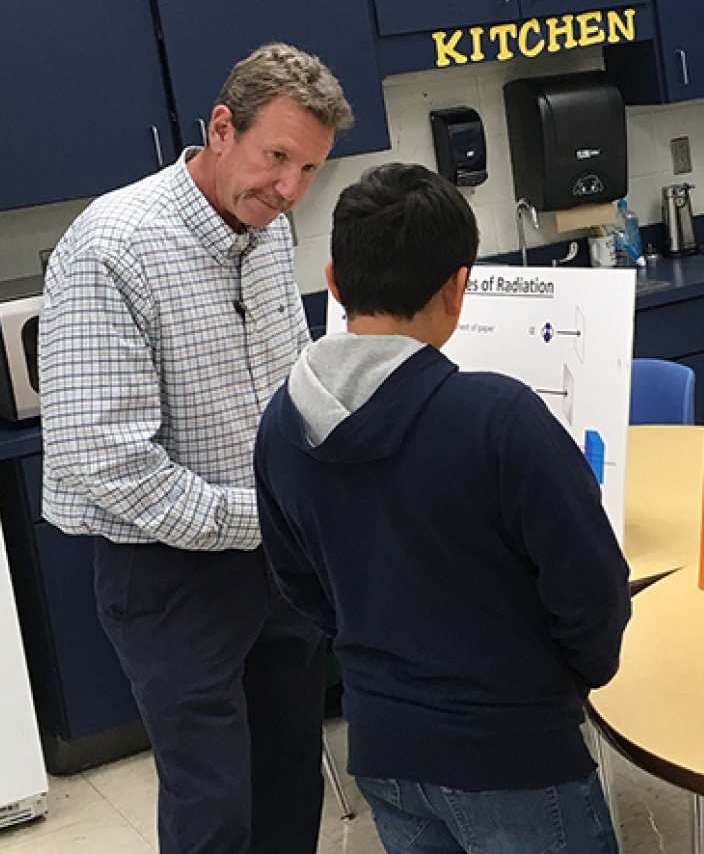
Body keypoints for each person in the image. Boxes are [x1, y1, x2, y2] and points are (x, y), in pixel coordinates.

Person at [254, 162, 631, 854]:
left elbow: (301, 584)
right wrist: (566, 677)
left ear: (334, 281)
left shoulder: (281, 424)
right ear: (459, 286)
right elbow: (593, 588)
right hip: (515, 748)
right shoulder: (500, 418)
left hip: (384, 749)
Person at [38, 43, 354, 854]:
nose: (288, 189)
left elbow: (288, 380)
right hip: (170, 576)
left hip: (276, 561)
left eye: (309, 169)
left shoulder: (268, 230)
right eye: (276, 156)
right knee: (213, 803)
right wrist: (268, 514)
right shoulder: (113, 246)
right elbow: (111, 465)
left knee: (290, 778)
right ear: (221, 128)